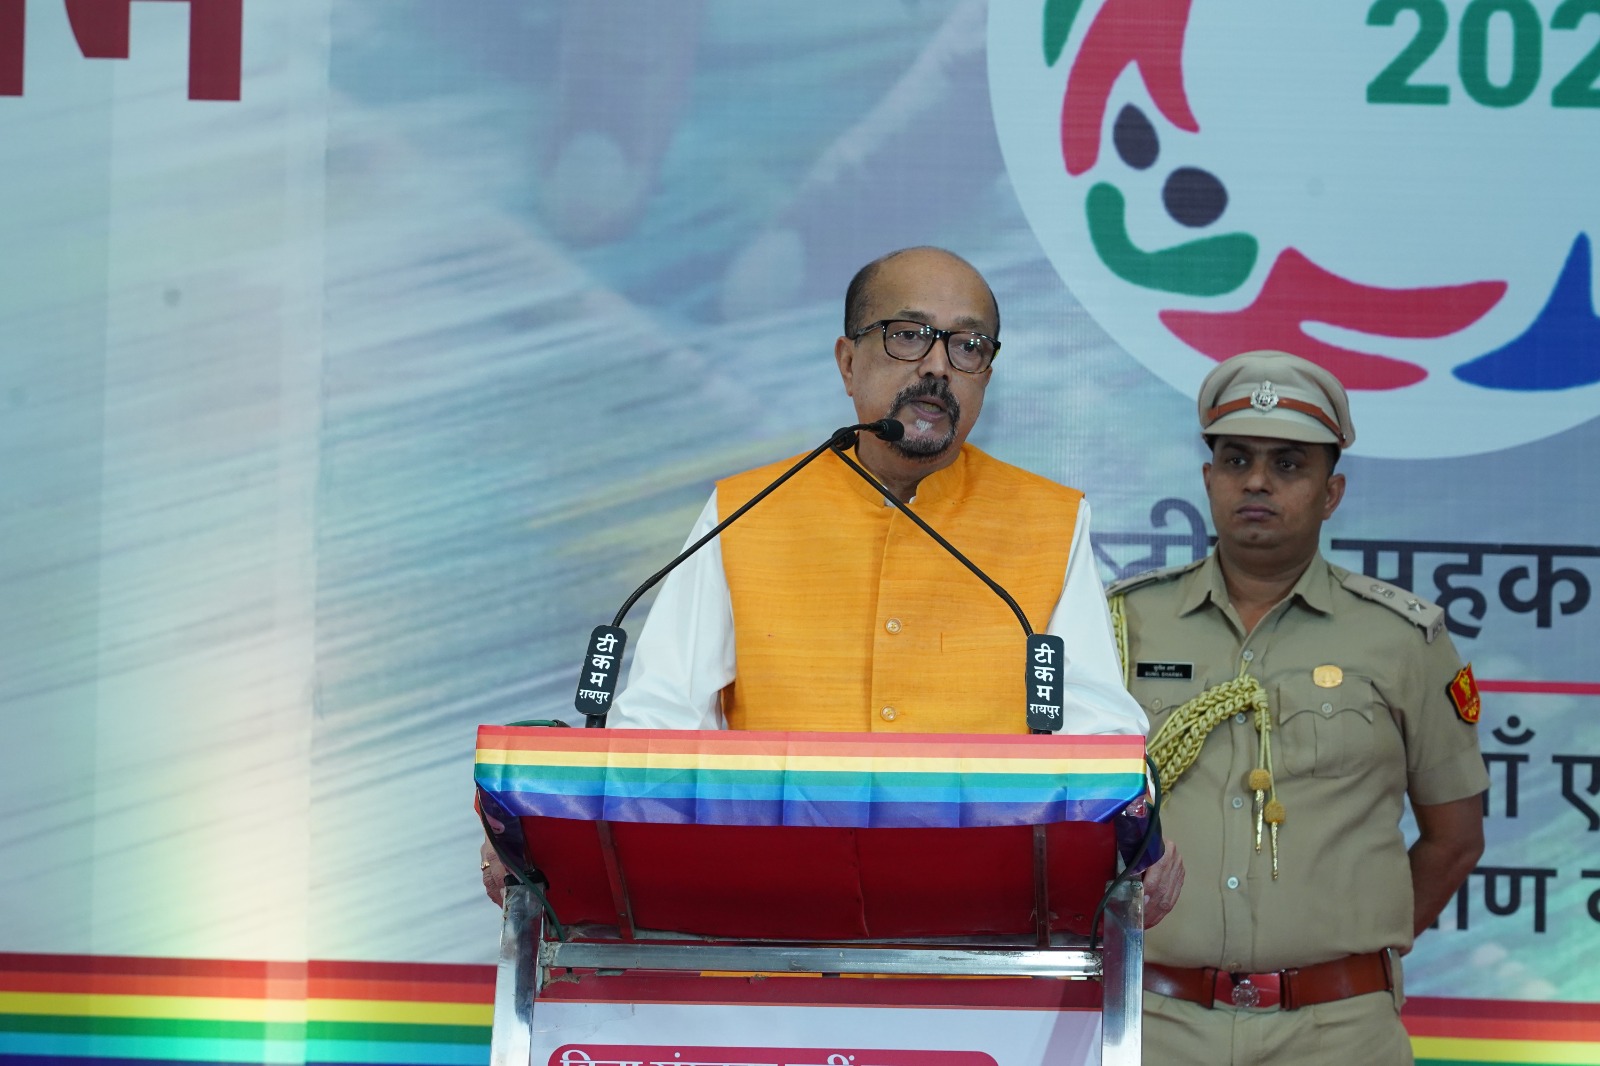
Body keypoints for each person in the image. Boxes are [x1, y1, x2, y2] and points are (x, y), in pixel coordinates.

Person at [483, 246, 1181, 916]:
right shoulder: (746, 510)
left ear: (987, 377)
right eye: (908, 335)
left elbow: (1098, 737)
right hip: (770, 929)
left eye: (968, 347)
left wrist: (1130, 841)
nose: (938, 365)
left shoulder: (1049, 519)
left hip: (984, 929)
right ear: (848, 361)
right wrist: (562, 832)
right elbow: (660, 725)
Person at [1107, 350, 1487, 1065]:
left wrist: (1349, 955)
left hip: (1338, 1034)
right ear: (1208, 479)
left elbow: (1455, 838)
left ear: (1331, 492)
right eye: (1237, 459)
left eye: (1288, 464)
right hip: (1155, 1025)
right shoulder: (1124, 625)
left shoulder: (1401, 639)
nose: (1257, 480)